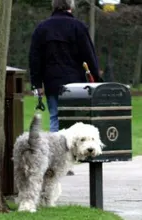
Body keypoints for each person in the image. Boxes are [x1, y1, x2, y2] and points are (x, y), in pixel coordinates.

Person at [29, 0, 102, 133]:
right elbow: (89, 56)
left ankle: (55, 152)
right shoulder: (78, 27)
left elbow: (35, 59)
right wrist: (97, 78)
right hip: (76, 84)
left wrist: (37, 85)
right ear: (71, 6)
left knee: (55, 118)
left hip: (52, 82)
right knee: (77, 121)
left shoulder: (42, 28)